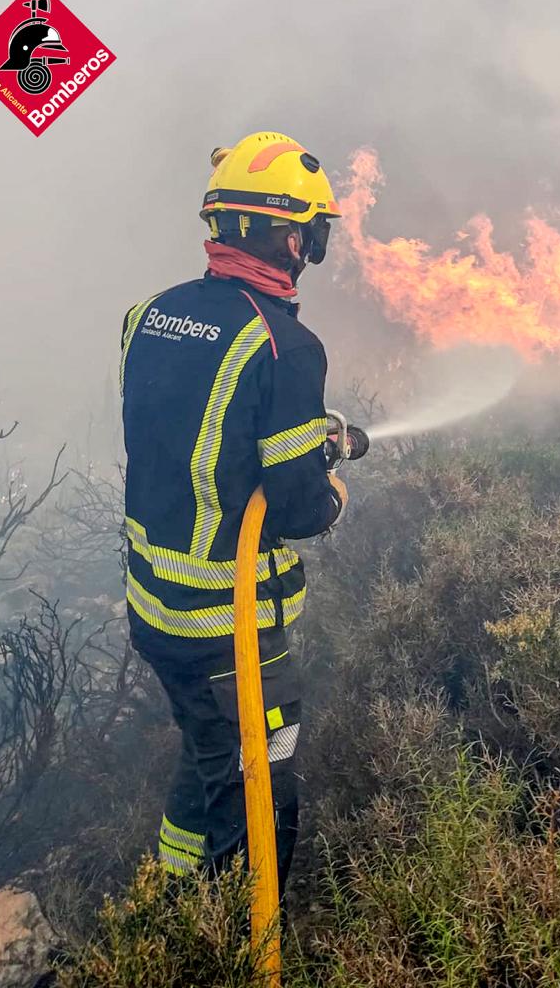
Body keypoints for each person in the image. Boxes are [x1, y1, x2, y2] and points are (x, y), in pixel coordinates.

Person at [120, 131, 347, 892]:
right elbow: (299, 505)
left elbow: (203, 432)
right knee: (263, 795)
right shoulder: (284, 345)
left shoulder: (148, 315)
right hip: (230, 628)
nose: (314, 244)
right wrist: (333, 488)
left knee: (207, 752)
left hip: (155, 609)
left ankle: (174, 901)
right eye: (314, 231)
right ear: (291, 236)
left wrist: (307, 435)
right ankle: (245, 938)